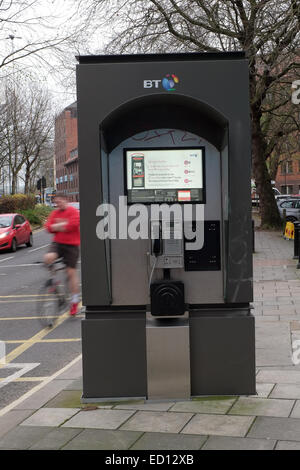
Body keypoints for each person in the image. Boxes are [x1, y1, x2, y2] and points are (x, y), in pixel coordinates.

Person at [44, 194, 80, 316]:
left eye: (59, 202)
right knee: (48, 258)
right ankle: (54, 282)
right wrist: (60, 226)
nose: (58, 204)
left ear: (66, 200)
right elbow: (48, 227)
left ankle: (74, 300)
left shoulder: (73, 211)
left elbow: (72, 225)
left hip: (72, 245)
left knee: (71, 273)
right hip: (58, 243)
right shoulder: (55, 213)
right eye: (56, 203)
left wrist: (57, 226)